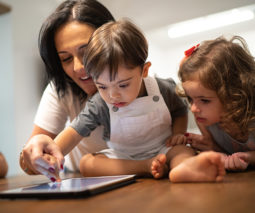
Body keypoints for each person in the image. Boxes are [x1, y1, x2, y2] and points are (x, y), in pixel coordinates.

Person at [41, 19, 226, 183]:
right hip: (123, 158)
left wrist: (178, 133)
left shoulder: (163, 88)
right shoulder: (99, 103)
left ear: (144, 70)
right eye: (102, 87)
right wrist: (53, 152)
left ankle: (184, 169)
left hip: (163, 149)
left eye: (123, 85)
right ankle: (147, 167)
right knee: (87, 163)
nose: (113, 96)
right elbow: (74, 132)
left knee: (182, 152)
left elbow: (179, 110)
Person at [19, 0, 115, 179]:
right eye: (66, 59)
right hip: (81, 179)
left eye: (86, 52)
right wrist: (31, 159)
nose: (78, 67)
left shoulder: (141, 84)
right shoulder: (60, 89)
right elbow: (31, 160)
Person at [177, 36, 255, 171]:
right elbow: (219, 151)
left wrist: (249, 157)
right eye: (190, 99)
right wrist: (214, 150)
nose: (193, 109)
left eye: (205, 100)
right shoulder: (205, 120)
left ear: (234, 94)